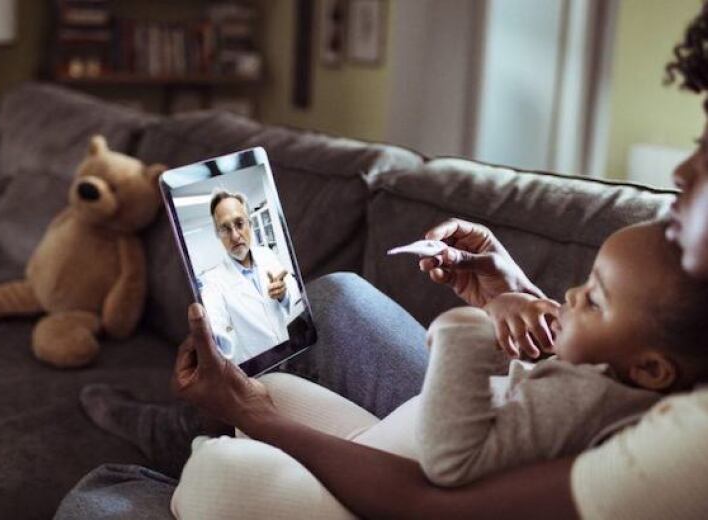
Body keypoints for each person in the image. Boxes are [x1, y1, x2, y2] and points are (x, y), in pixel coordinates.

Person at [57, 4, 708, 518]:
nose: (683, 170)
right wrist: (511, 295)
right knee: (333, 300)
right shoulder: (662, 340)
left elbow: (432, 502)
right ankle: (203, 430)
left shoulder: (690, 447)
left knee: (104, 496)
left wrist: (470, 330)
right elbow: (592, 382)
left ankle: (197, 450)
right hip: (454, 439)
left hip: (439, 482)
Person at [167, 221, 707, 518]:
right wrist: (522, 303)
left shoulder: (665, 441)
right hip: (397, 441)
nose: (569, 295)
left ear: (653, 369)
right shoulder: (631, 379)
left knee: (219, 472)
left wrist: (470, 330)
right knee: (280, 379)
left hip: (409, 490)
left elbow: (443, 478)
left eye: (593, 298)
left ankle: (170, 458)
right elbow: (590, 371)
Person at [199, 189, 299, 363]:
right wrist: (213, 338)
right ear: (218, 235)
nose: (235, 235)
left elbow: (294, 293)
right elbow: (214, 323)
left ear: (250, 224)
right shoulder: (213, 281)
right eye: (225, 229)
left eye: (239, 223)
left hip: (291, 348)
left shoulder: (267, 254)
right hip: (261, 367)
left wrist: (283, 295)